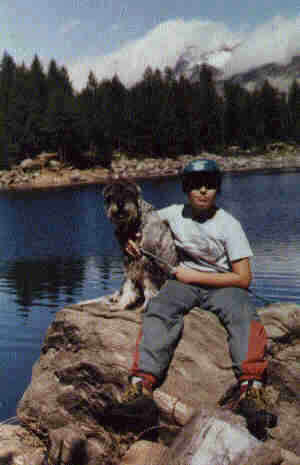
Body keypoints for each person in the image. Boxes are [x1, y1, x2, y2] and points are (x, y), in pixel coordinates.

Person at [108, 159, 276, 433]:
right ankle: (141, 388)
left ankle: (251, 390)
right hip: (182, 285)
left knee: (244, 314)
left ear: (218, 190)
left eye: (210, 186)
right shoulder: (173, 213)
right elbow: (138, 219)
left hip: (224, 284)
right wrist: (129, 240)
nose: (202, 192)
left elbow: (244, 278)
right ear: (186, 189)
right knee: (159, 309)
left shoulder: (229, 225)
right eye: (195, 186)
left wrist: (193, 276)